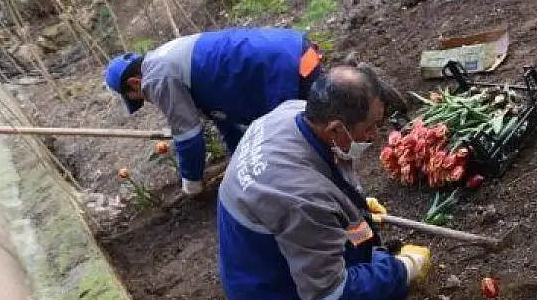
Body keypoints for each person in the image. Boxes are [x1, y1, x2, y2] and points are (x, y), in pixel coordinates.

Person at [216, 63, 431, 300]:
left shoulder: (291, 113)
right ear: (335, 129)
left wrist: (354, 208)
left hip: (268, 256)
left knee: (387, 290)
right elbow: (328, 291)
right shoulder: (302, 200)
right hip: (274, 295)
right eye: (370, 127)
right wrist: (403, 268)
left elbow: (329, 176)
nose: (376, 135)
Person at [104, 27, 406, 197]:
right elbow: (225, 119)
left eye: (139, 97)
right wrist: (242, 161)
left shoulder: (157, 78)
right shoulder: (168, 57)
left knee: (315, 136)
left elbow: (188, 136)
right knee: (334, 108)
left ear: (135, 82)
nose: (149, 99)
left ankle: (348, 189)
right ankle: (379, 110)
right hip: (289, 51)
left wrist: (191, 183)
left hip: (278, 72)